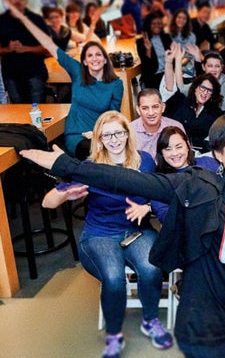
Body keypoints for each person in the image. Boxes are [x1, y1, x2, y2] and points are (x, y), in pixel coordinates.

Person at [21, 113, 225, 358]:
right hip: (203, 316)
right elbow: (127, 180)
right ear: (218, 153)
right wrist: (66, 165)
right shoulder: (199, 186)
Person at [37, 111, 172, 358]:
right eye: (107, 134)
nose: (114, 139)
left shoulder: (144, 161)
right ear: (99, 138)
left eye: (119, 133)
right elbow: (47, 203)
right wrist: (66, 194)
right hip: (101, 233)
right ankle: (114, 334)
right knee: (113, 277)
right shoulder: (89, 167)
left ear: (127, 134)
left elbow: (160, 194)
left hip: (137, 230)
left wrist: (147, 207)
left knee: (152, 268)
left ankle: (150, 319)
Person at [6, 0, 123, 158]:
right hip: (77, 136)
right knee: (98, 154)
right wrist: (23, 18)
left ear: (104, 59)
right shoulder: (77, 72)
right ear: (84, 61)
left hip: (103, 135)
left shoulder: (116, 84)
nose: (94, 59)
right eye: (90, 55)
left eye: (98, 55)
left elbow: (114, 116)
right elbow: (49, 44)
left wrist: (99, 133)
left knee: (117, 152)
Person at [0, 0, 50, 103]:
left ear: (26, 1)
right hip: (11, 75)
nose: (18, 1)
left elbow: (47, 48)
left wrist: (25, 49)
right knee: (19, 113)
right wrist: (8, 49)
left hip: (34, 73)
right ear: (9, 1)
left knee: (38, 112)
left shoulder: (36, 19)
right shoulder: (1, 21)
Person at [163, 65, 225, 152]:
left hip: (197, 151)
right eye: (202, 88)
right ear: (195, 87)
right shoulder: (179, 101)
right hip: (170, 146)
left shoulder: (215, 113)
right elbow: (168, 90)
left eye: (209, 90)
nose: (205, 93)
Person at [130, 88, 185, 157]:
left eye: (155, 107)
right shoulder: (130, 131)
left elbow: (185, 156)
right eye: (145, 108)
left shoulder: (176, 127)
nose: (151, 113)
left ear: (163, 107)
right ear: (138, 110)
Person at [136, 12, 172, 89]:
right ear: (148, 25)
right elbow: (146, 68)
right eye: (153, 23)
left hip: (168, 74)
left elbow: (173, 59)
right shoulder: (141, 42)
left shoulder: (166, 37)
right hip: (153, 77)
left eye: (159, 23)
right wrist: (148, 50)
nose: (157, 25)